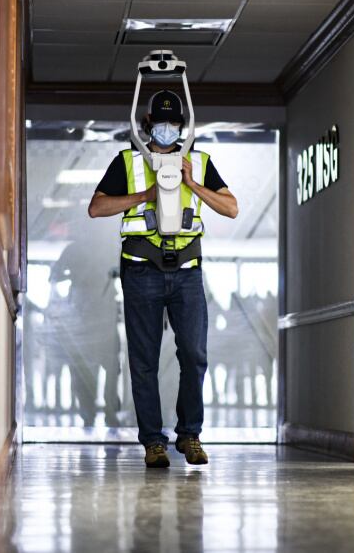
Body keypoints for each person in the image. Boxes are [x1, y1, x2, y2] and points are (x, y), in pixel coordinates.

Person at [88, 89, 239, 468]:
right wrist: (145, 194)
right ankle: (153, 442)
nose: (167, 129)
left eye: (174, 122)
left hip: (187, 271)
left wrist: (191, 183)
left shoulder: (199, 162)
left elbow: (231, 207)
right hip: (141, 269)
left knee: (194, 355)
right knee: (143, 361)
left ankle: (190, 435)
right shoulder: (128, 162)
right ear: (148, 124)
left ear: (183, 125)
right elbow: (97, 207)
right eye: (161, 122)